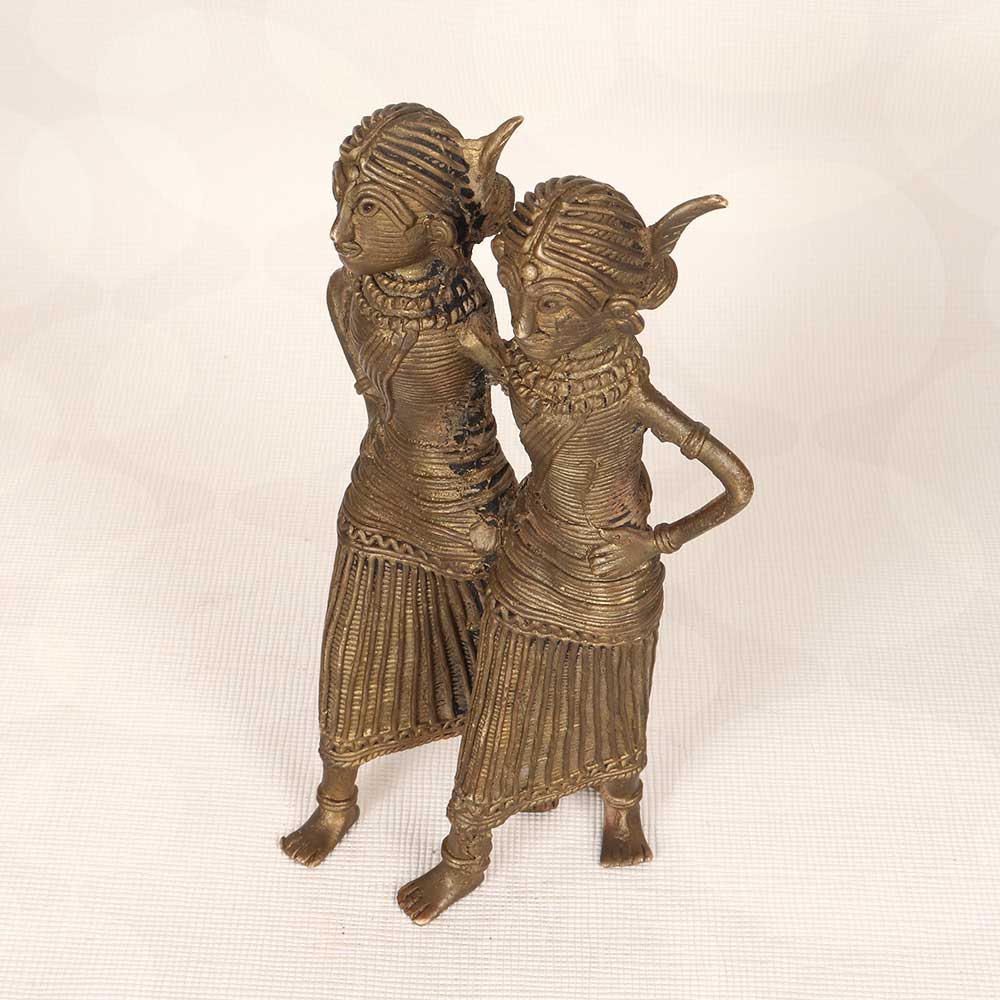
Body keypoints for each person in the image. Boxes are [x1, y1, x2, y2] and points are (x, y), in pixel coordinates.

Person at [397, 176, 753, 922]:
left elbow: (738, 485)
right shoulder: (532, 361)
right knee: (501, 703)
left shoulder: (628, 392)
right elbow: (514, 368)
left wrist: (657, 542)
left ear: (616, 312)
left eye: (552, 306)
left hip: (612, 570)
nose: (526, 323)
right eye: (516, 294)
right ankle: (465, 854)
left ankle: (622, 802)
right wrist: (473, 345)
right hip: (533, 554)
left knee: (617, 696)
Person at [281, 104, 521, 866]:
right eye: (343, 202)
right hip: (383, 490)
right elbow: (379, 398)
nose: (340, 231)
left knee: (509, 646)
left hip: (468, 503)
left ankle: (518, 767)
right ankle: (336, 797)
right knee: (354, 653)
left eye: (369, 210)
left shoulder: (466, 310)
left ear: (438, 230)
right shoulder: (346, 293)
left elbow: (524, 400)